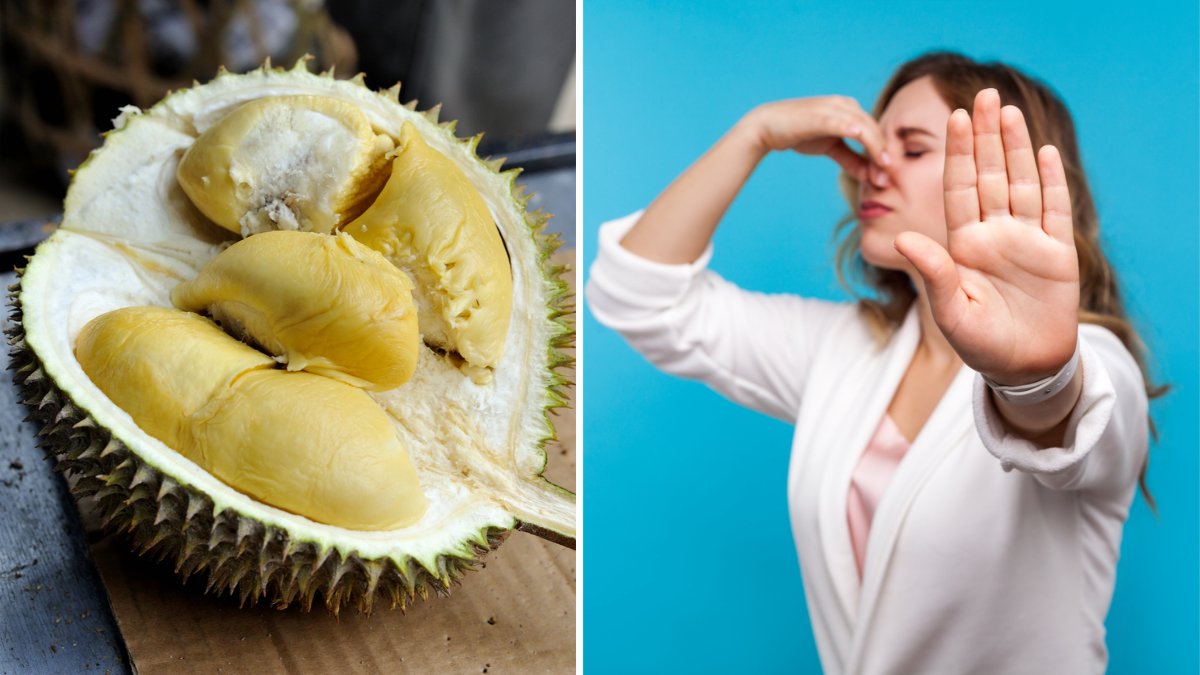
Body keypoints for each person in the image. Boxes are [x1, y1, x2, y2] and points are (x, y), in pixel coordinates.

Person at [586, 52, 1159, 674]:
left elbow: (1069, 418)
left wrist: (1031, 375)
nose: (874, 170)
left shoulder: (1098, 366)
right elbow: (637, 294)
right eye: (874, 148)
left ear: (999, 171)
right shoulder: (846, 351)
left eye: (912, 150)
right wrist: (754, 133)